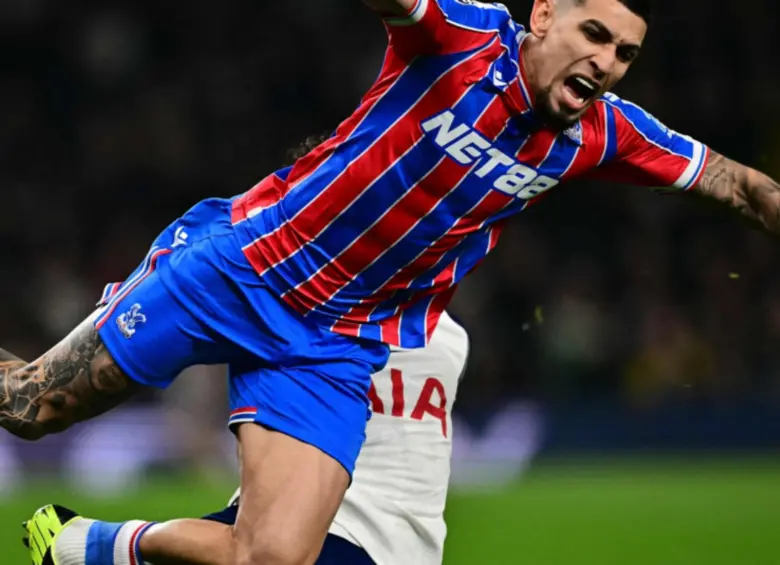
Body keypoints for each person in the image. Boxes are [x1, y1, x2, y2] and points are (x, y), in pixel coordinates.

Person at [5, 0, 780, 563]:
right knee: (30, 406)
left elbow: (745, 189)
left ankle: (82, 544)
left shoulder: (604, 133)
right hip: (243, 268)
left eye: (625, 54)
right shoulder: (461, 35)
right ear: (542, 15)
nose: (606, 64)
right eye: (595, 34)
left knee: (274, 558)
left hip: (336, 344)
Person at [23, 311, 468, 565]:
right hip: (410, 550)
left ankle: (90, 544)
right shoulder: (450, 335)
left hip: (325, 538)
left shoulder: (297, 305)